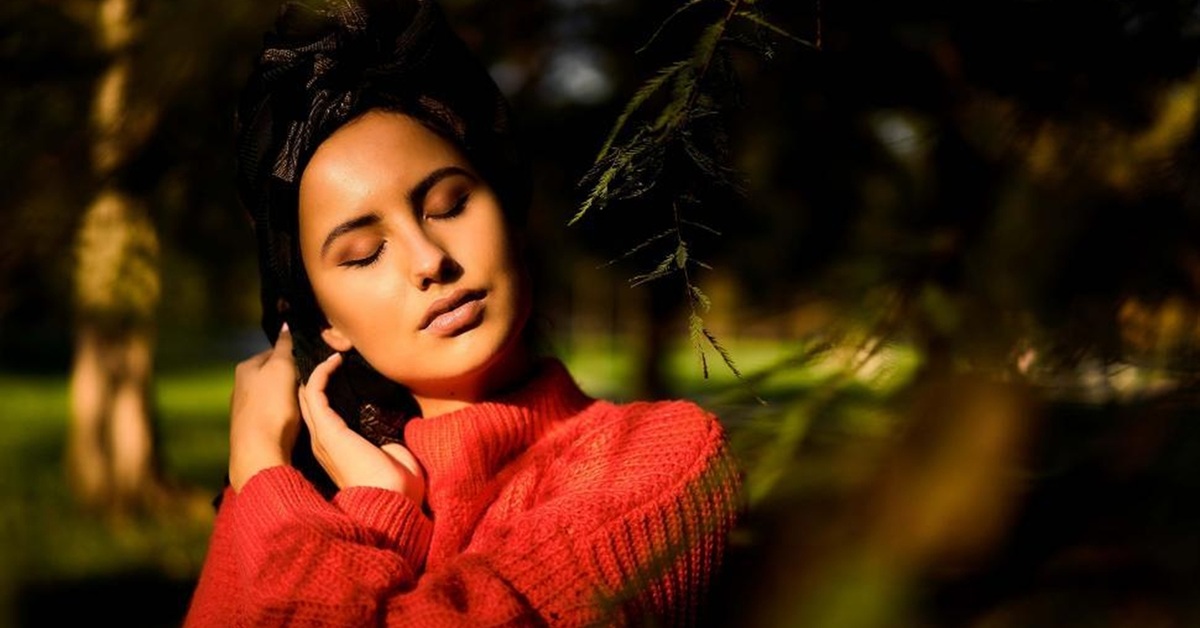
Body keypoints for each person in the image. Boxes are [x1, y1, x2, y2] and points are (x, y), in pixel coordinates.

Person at [183, 0, 744, 625]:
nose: (429, 259)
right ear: (326, 321)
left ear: (510, 215)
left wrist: (266, 466)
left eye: (449, 206)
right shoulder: (291, 500)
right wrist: (352, 499)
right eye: (365, 253)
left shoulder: (656, 460)